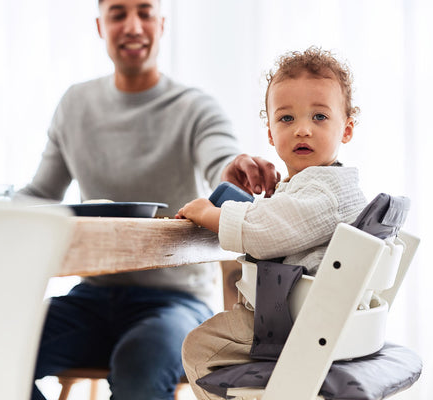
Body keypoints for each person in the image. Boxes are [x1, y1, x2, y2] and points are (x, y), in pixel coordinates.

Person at [18, 1, 279, 399]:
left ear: (162, 23)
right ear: (100, 26)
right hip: (92, 298)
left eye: (144, 11)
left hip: (174, 303)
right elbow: (40, 194)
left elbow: (221, 160)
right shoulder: (75, 105)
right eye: (118, 13)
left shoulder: (194, 107)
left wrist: (234, 168)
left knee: (140, 361)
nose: (133, 26)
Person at [175, 47, 369, 400]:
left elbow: (264, 234)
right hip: (303, 316)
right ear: (269, 133)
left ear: (347, 130)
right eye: (287, 119)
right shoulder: (318, 186)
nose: (303, 130)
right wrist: (245, 206)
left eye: (320, 117)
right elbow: (284, 223)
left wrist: (208, 213)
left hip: (294, 323)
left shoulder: (327, 192)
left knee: (200, 346)